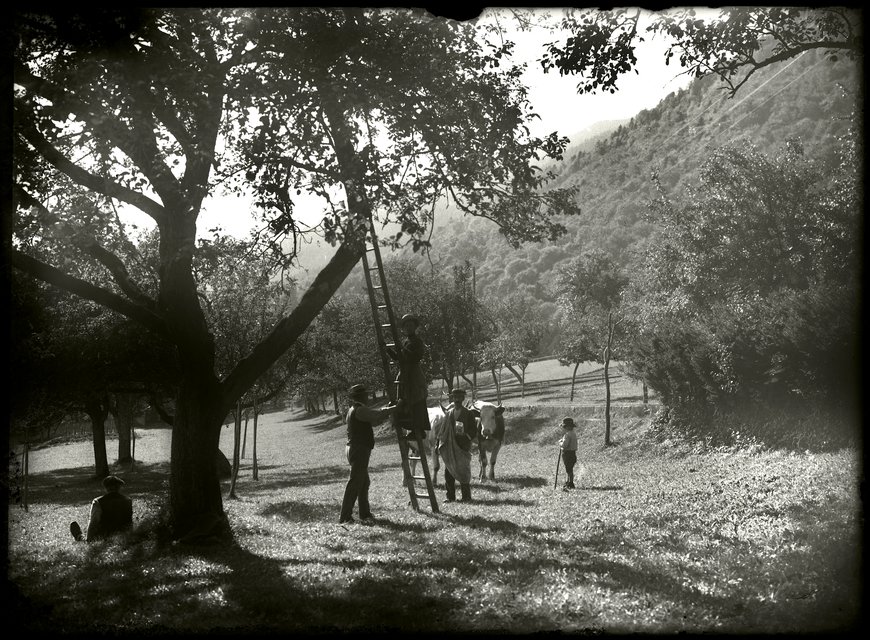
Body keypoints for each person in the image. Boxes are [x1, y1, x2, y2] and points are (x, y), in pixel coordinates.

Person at [340, 384, 396, 524]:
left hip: (355, 448)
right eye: (366, 395)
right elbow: (376, 415)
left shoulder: (354, 409)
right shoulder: (360, 409)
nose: (368, 397)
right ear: (361, 397)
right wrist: (395, 408)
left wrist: (388, 409)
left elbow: (374, 419)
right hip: (358, 449)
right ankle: (345, 517)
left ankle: (364, 514)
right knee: (355, 482)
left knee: (364, 482)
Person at [385, 313, 429, 434]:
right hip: (405, 374)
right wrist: (388, 350)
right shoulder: (405, 342)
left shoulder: (418, 341)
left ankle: (419, 429)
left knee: (416, 399)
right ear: (404, 329)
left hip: (414, 374)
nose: (408, 328)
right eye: (406, 326)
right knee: (404, 399)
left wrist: (402, 348)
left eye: (411, 325)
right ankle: (409, 426)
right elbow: (399, 357)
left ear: (415, 327)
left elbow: (416, 357)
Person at [438, 387, 476, 502]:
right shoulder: (449, 414)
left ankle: (466, 497)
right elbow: (443, 430)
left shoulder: (468, 413)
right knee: (448, 472)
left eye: (459, 397)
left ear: (463, 398)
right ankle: (450, 497)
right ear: (452, 399)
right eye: (455, 397)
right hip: (450, 447)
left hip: (462, 447)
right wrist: (439, 443)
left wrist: (466, 436)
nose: (457, 400)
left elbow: (474, 430)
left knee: (463, 471)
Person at [69, 475, 133, 542]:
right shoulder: (128, 500)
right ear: (119, 487)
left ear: (106, 488)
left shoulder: (98, 501)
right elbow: (129, 522)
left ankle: (79, 537)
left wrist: (89, 539)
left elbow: (94, 522)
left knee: (83, 538)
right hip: (122, 536)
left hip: (103, 537)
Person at [559, 417, 578, 491]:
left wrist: (560, 443)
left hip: (567, 454)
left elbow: (564, 445)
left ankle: (570, 482)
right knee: (570, 469)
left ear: (566, 427)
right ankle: (569, 481)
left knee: (568, 469)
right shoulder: (573, 434)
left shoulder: (567, 435)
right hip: (573, 453)